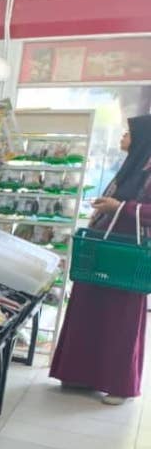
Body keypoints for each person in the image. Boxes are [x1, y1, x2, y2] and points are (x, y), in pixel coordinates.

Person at [51, 114, 151, 405]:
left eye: (129, 134)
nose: (123, 137)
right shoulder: (132, 166)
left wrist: (120, 207)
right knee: (88, 304)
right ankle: (79, 374)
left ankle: (119, 385)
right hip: (102, 245)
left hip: (127, 253)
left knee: (121, 316)